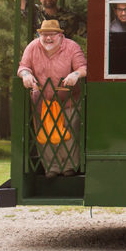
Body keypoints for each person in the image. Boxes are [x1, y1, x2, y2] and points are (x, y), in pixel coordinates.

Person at [17, 19, 87, 178]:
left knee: (69, 132)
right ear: (39, 35)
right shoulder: (33, 47)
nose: (48, 38)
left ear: (60, 35)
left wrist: (75, 74)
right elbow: (23, 67)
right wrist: (26, 75)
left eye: (52, 35)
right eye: (44, 35)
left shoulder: (71, 47)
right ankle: (51, 167)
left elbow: (83, 67)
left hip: (69, 100)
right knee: (45, 134)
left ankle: (69, 166)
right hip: (42, 101)